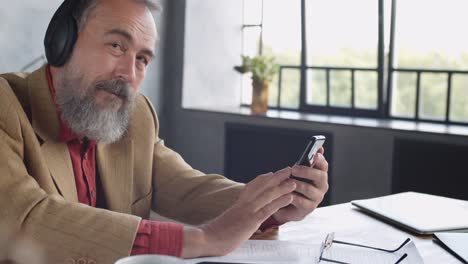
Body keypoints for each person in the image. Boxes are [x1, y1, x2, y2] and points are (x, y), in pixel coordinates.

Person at [0, 0, 329, 263]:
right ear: (61, 43)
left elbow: (184, 187)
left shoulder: (135, 114)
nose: (128, 74)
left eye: (142, 58)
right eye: (116, 46)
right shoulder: (5, 106)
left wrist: (269, 204)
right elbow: (27, 219)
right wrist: (202, 239)